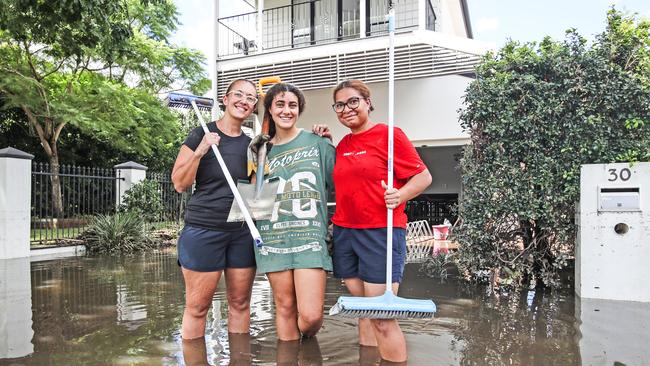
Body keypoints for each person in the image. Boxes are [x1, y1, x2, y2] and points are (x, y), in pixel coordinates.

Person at [329, 79, 432, 363]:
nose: (346, 109)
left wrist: (399, 195)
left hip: (380, 231)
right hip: (345, 232)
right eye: (339, 104)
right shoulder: (343, 144)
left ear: (367, 103)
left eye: (353, 101)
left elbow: (423, 177)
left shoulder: (390, 135)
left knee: (382, 317)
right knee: (363, 311)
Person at [172, 79, 259, 340]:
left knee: (241, 304)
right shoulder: (201, 133)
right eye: (239, 95)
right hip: (204, 230)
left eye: (251, 98)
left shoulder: (252, 145)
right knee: (198, 308)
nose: (244, 101)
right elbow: (179, 183)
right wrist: (200, 151)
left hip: (241, 233)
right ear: (226, 98)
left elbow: (257, 193)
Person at [251, 83, 335, 341]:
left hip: (309, 238)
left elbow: (341, 182)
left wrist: (331, 143)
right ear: (270, 110)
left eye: (292, 105)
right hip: (273, 237)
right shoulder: (260, 150)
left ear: (299, 110)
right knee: (285, 307)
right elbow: (255, 197)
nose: (286, 110)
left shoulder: (318, 143)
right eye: (280, 104)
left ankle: (306, 346)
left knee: (311, 316)